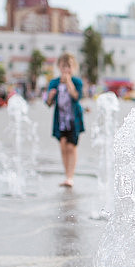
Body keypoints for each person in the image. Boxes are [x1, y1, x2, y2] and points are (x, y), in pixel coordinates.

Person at [46, 53, 84, 188]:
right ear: (59, 67)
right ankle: (66, 174)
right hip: (60, 119)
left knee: (71, 146)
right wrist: (50, 97)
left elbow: (76, 97)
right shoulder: (54, 83)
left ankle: (70, 177)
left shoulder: (77, 82)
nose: (66, 70)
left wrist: (68, 82)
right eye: (63, 67)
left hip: (73, 119)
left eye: (69, 67)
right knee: (62, 145)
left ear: (74, 68)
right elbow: (49, 103)